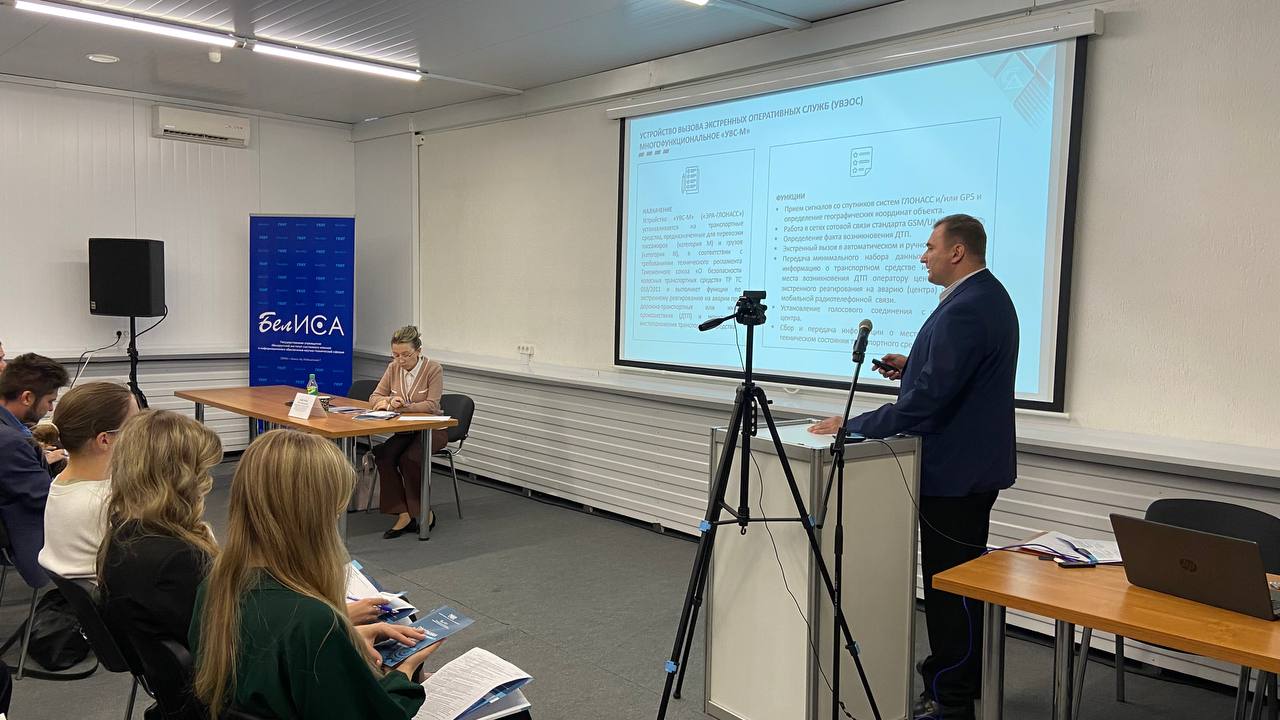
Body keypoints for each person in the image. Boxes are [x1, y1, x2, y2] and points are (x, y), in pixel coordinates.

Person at [809, 214, 1018, 720]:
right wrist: (911, 367)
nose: (923, 256)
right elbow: (950, 378)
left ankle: (951, 698)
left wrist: (854, 425)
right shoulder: (982, 297)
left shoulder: (968, 307)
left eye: (930, 247)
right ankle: (959, 683)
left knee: (951, 590)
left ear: (957, 252)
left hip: (956, 475)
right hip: (965, 469)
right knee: (956, 585)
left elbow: (930, 399)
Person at [191, 429, 440, 719]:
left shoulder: (214, 588)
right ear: (315, 518)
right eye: (335, 511)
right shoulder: (312, 620)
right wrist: (404, 672)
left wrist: (346, 640)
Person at [98, 409, 223, 651]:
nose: (207, 482)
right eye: (202, 471)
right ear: (179, 478)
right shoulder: (179, 559)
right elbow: (218, 638)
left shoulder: (122, 533)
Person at [37, 382, 137, 580]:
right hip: (114, 592)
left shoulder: (61, 482)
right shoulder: (110, 502)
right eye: (134, 427)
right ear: (105, 440)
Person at [369, 325, 446, 539]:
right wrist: (388, 401)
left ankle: (423, 511)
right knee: (383, 455)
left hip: (432, 429)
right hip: (405, 429)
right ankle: (403, 513)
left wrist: (403, 407)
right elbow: (374, 397)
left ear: (418, 351)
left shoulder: (433, 369)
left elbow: (431, 405)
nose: (400, 360)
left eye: (405, 355)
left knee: (410, 459)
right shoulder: (393, 367)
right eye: (395, 355)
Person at [0, 353, 70, 587]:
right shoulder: (10, 441)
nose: (50, 408)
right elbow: (47, 498)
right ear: (27, 397)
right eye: (49, 401)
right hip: (28, 537)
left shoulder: (12, 431)